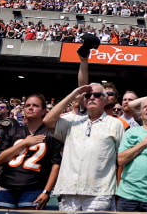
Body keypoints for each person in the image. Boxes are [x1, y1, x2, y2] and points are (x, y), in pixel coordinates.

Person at [44, 54, 125, 211]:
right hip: (69, 191)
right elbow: (48, 121)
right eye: (88, 95)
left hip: (99, 193)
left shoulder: (115, 124)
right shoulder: (72, 121)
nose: (92, 97)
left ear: (105, 99)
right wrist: (73, 95)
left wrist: (119, 188)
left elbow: (121, 159)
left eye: (97, 95)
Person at [0, 94, 62, 210]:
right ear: (23, 109)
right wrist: (24, 143)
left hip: (34, 188)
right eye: (27, 105)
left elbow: (56, 165)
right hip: (6, 186)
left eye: (35, 105)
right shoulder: (13, 131)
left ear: (44, 111)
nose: (30, 108)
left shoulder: (52, 135)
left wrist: (46, 191)